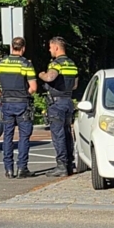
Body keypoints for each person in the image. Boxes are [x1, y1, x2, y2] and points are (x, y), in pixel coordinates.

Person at [0, 37, 37, 179]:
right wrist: (24, 95)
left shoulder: (0, 63)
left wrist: (1, 96)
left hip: (7, 103)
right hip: (22, 103)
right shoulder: (26, 64)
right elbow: (33, 87)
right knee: (24, 137)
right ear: (23, 48)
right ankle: (22, 168)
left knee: (8, 137)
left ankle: (8, 169)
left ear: (11, 47)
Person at [38, 36, 79, 177]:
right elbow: (75, 85)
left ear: (56, 47)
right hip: (68, 101)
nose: (49, 50)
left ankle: (61, 166)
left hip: (57, 103)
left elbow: (50, 78)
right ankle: (69, 163)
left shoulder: (56, 64)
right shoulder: (72, 64)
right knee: (67, 133)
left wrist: (41, 74)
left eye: (50, 47)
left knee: (58, 135)